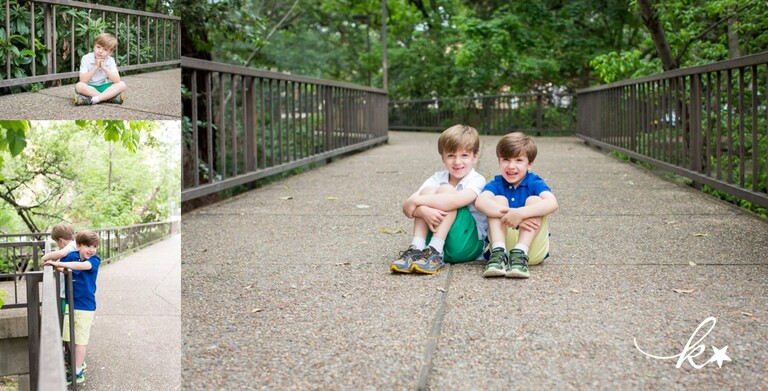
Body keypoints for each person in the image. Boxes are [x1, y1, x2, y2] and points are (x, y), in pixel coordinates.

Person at [390, 124, 488, 275]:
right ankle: (416, 248)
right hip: (437, 243)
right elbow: (407, 208)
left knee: (446, 191)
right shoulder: (436, 178)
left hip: (467, 245)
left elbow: (453, 201)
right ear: (442, 157)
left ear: (475, 156)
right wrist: (422, 210)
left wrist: (418, 204)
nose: (457, 162)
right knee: (428, 191)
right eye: (451, 156)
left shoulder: (477, 180)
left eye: (464, 155)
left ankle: (435, 249)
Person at [475, 132, 559, 278]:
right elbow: (480, 202)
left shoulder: (534, 182)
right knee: (498, 199)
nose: (511, 166)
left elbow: (553, 203)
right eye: (506, 160)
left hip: (531, 250)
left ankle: (520, 253)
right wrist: (512, 215)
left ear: (530, 164)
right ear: (499, 162)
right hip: (503, 247)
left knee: (535, 201)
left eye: (519, 160)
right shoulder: (497, 184)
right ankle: (498, 253)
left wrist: (521, 214)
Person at [44, 230, 101, 385]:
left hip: (85, 306)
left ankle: (77, 370)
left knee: (80, 340)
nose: (91, 249)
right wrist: (55, 265)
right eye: (87, 246)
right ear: (78, 245)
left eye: (94, 246)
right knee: (69, 337)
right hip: (71, 302)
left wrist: (59, 263)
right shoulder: (72, 256)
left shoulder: (94, 260)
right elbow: (64, 267)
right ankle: (77, 363)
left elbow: (80, 266)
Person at [74, 32, 126, 106]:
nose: (100, 51)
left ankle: (94, 99)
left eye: (105, 49)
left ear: (110, 52)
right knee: (79, 86)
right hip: (89, 87)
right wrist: (96, 67)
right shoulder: (86, 58)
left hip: (104, 87)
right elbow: (83, 80)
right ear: (94, 46)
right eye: (98, 47)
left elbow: (117, 80)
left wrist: (104, 67)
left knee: (122, 84)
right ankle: (109, 98)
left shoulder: (110, 60)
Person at [41, 222, 77, 313]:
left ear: (61, 240)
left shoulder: (72, 245)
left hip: (68, 287)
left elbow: (62, 253)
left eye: (57, 243)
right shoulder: (74, 245)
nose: (58, 245)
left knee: (66, 311)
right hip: (67, 286)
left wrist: (45, 257)